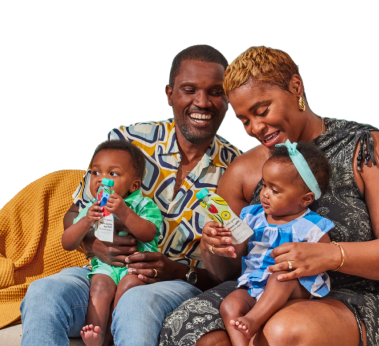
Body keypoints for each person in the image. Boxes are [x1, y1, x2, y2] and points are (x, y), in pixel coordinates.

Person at [20, 44, 242, 346]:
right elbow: (76, 212)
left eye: (216, 92)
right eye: (189, 90)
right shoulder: (126, 140)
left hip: (173, 287)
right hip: (102, 273)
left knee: (135, 303)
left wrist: (176, 270)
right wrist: (94, 243)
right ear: (169, 94)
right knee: (44, 292)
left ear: (228, 97)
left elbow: (232, 272)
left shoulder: (237, 169)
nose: (202, 102)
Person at [159, 45, 378, 346]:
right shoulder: (242, 171)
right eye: (244, 120)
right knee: (190, 326)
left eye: (262, 111)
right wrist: (215, 247)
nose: (256, 128)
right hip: (257, 288)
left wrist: (329, 255)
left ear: (295, 86)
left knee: (283, 329)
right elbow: (228, 273)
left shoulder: (364, 147)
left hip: (348, 293)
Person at [218, 141, 334, 345]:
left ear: (305, 199)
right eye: (264, 185)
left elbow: (325, 257)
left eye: (275, 190)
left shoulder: (311, 226)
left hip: (295, 285)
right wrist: (225, 236)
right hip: (254, 284)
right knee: (230, 304)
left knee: (281, 276)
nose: (264, 193)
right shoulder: (252, 216)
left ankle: (253, 320)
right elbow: (238, 248)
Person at [61, 140, 163, 346]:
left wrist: (124, 211)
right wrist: (86, 221)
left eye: (112, 174)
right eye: (96, 173)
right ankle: (96, 334)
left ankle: (112, 331)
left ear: (134, 185)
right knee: (99, 286)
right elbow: (68, 242)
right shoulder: (92, 206)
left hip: (135, 267)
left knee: (129, 286)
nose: (101, 180)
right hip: (107, 266)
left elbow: (148, 233)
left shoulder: (144, 204)